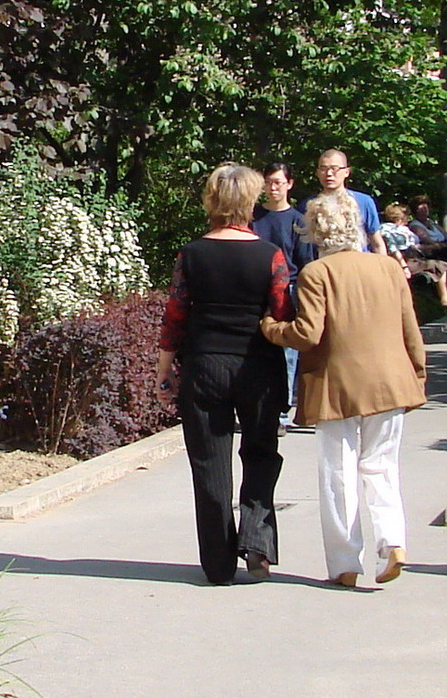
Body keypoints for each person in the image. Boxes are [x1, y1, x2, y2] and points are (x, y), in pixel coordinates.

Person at [259, 192, 429, 590]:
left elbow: (307, 334)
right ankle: (393, 543)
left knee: (338, 473)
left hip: (335, 385)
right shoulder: (388, 268)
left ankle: (345, 563)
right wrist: (417, 374)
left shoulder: (317, 273)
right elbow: (410, 327)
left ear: (316, 232)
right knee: (382, 466)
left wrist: (271, 329)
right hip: (390, 382)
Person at [159, 164, 291, 583]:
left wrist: (164, 369)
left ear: (211, 201)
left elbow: (176, 314)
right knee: (261, 453)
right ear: (250, 202)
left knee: (209, 462)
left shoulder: (192, 254)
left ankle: (218, 563)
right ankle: (257, 542)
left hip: (205, 364)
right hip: (259, 365)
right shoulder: (270, 254)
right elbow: (281, 312)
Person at [252, 161, 311, 430]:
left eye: (278, 182)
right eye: (268, 182)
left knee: (287, 354)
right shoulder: (253, 217)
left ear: (289, 184)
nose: (273, 188)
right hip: (256, 288)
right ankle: (255, 408)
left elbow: (305, 263)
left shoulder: (299, 222)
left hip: (288, 290)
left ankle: (280, 414)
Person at [312, 148, 383, 252]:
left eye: (334, 168)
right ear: (317, 172)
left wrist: (382, 262)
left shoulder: (364, 202)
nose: (329, 173)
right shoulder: (310, 206)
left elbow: (377, 243)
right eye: (323, 169)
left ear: (346, 172)